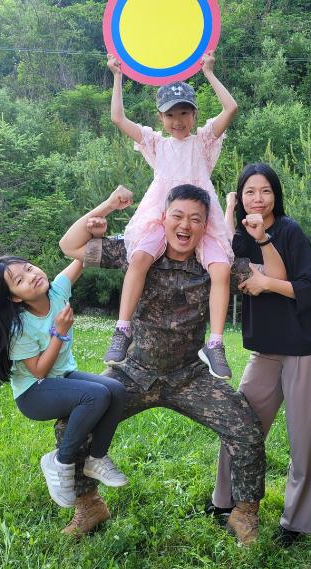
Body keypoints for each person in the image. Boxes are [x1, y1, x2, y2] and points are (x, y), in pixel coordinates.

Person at [56, 184, 287, 544]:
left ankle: (245, 513)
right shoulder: (139, 249)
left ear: (205, 224)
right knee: (72, 422)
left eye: (195, 219)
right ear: (163, 218)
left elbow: (277, 277)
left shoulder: (216, 259)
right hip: (132, 373)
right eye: (177, 216)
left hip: (188, 376)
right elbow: (69, 246)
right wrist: (108, 205)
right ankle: (88, 506)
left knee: (245, 426)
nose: (185, 226)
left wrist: (265, 239)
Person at [206, 162, 311, 547]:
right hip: (265, 351)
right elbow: (223, 253)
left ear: (276, 195)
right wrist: (228, 210)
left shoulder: (290, 232)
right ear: (241, 198)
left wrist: (266, 281)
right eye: (249, 192)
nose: (258, 199)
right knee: (239, 426)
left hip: (303, 349)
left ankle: (298, 523)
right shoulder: (240, 234)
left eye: (266, 191)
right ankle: (223, 502)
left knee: (303, 440)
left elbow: (308, 289)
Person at [104, 51, 238, 380]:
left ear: (193, 115)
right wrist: (117, 76)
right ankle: (123, 328)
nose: (177, 120)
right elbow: (118, 119)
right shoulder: (157, 145)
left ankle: (216, 342)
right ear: (160, 118)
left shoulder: (203, 142)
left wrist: (209, 72)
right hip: (163, 216)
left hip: (199, 218)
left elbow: (231, 108)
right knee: (139, 259)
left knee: (221, 268)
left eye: (184, 112)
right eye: (170, 115)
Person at [0, 248, 130, 535]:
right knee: (96, 395)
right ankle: (59, 461)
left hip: (62, 377)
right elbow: (38, 371)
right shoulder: (18, 326)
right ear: (15, 297)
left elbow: (83, 255)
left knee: (116, 389)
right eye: (20, 280)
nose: (31, 275)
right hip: (34, 394)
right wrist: (59, 332)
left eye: (28, 267)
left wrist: (108, 208)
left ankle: (96, 458)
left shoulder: (57, 291)